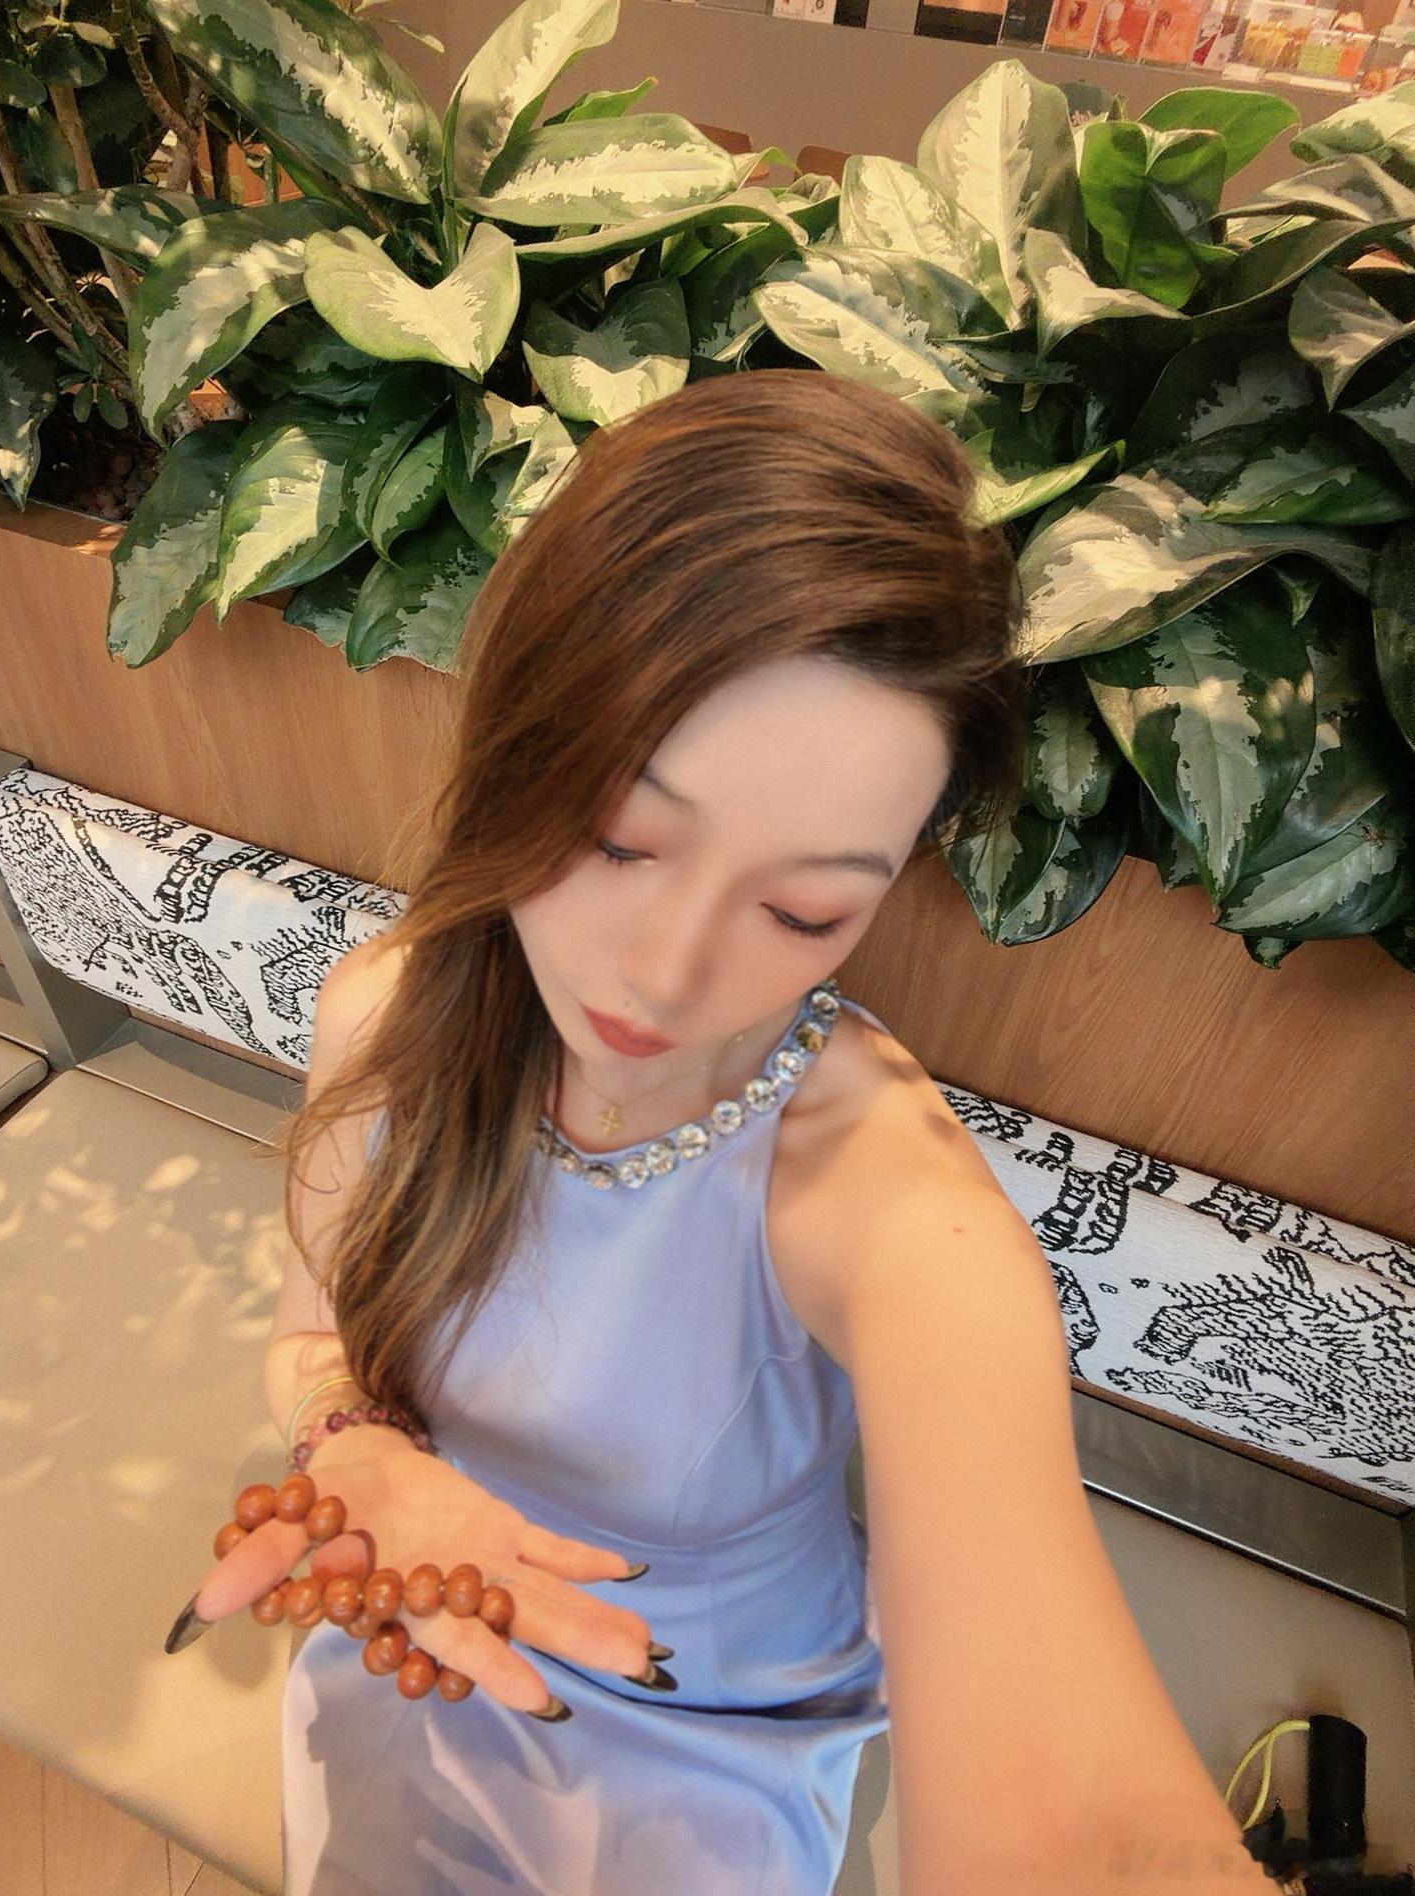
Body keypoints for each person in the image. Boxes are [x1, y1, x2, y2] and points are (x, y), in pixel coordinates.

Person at [162, 370, 1259, 1895]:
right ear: (516, 744)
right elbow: (310, 1338)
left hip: (718, 1724)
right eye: (621, 838)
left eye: (803, 910)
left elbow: (1075, 1817)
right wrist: (358, 1447)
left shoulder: (889, 1209)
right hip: (423, 1614)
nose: (666, 977)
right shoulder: (390, 1020)